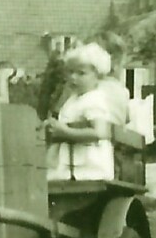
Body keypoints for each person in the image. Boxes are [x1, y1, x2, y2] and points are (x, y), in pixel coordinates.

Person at [42, 42, 129, 182]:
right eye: (70, 72)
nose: (73, 77)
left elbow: (99, 132)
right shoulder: (72, 100)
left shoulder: (95, 99)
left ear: (98, 76)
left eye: (81, 73)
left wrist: (65, 132)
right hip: (69, 164)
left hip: (88, 167)